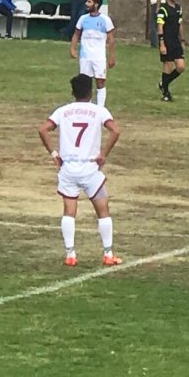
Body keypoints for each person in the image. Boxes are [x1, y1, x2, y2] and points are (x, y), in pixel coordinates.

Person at [37, 74, 122, 267]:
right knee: (103, 210)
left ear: (73, 92)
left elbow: (43, 129)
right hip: (90, 168)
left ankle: (70, 254)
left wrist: (53, 153)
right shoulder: (99, 111)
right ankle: (108, 253)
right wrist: (103, 154)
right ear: (91, 91)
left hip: (68, 168)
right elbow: (115, 131)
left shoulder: (63, 111)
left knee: (69, 211)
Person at [69, 0, 115, 107]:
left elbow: (111, 39)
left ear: (96, 4)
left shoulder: (105, 20)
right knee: (85, 81)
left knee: (100, 81)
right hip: (85, 56)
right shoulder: (83, 18)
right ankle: (86, 106)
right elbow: (76, 34)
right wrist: (72, 48)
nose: (86, 4)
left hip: (99, 56)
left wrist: (111, 56)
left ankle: (100, 107)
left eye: (89, 2)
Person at [156, 0, 186, 102]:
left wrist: (182, 39)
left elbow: (180, 25)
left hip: (175, 41)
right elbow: (160, 26)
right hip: (167, 41)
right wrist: (162, 42)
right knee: (167, 66)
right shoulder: (163, 9)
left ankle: (163, 83)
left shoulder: (178, 8)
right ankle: (166, 92)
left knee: (181, 66)